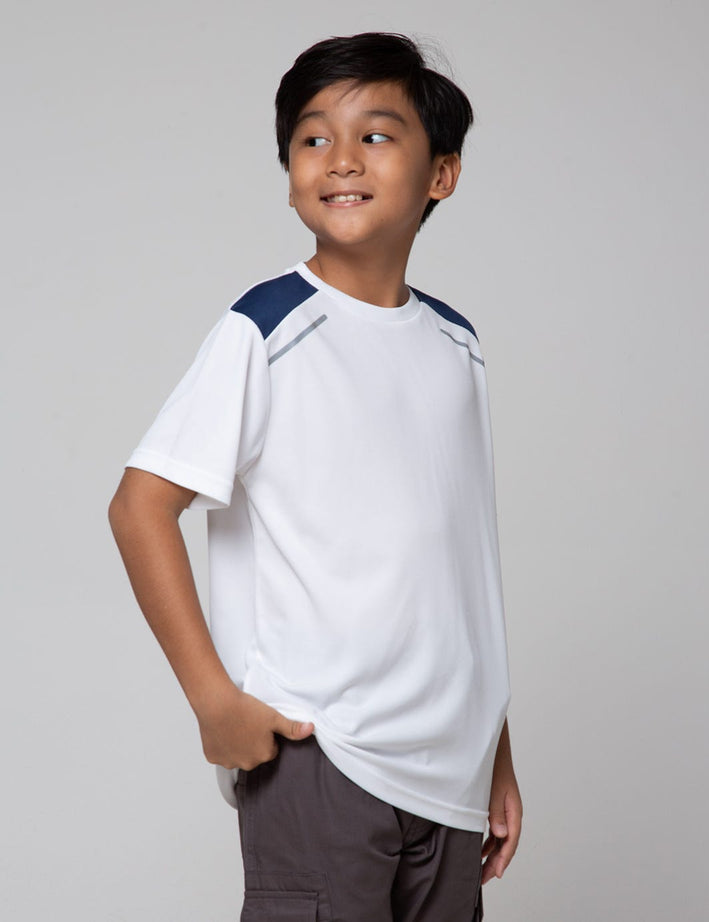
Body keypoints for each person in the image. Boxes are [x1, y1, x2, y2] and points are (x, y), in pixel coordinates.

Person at [109, 31, 522, 922]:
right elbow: (140, 508)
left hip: (450, 773)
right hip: (323, 752)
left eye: (375, 135)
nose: (340, 159)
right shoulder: (267, 327)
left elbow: (459, 566)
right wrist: (213, 699)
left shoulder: (457, 346)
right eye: (312, 138)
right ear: (291, 172)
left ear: (441, 173)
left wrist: (494, 749)